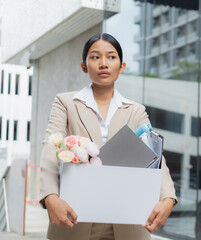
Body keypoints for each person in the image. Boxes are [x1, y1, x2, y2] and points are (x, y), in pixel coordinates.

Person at [39, 33, 178, 240]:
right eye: (95, 57)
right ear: (84, 66)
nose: (104, 63)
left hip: (127, 222)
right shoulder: (66, 102)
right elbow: (51, 146)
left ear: (121, 66)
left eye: (111, 57)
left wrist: (167, 197)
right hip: (76, 218)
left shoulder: (136, 110)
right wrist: (50, 196)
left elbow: (155, 155)